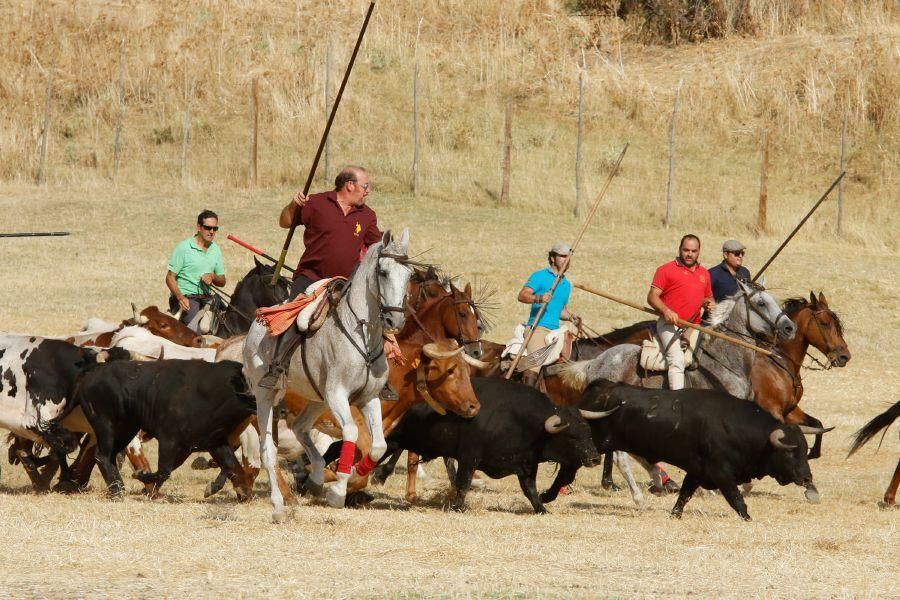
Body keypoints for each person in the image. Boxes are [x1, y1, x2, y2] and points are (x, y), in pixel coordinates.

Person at [258, 165, 399, 389]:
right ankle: (278, 365)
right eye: (365, 186)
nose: (368, 190)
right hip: (311, 276)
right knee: (298, 316)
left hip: (347, 282)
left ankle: (379, 377)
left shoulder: (367, 215)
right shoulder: (316, 203)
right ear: (349, 185)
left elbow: (377, 245)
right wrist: (293, 204)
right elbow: (285, 221)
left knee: (371, 315)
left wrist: (395, 250)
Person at [646, 234, 714, 391]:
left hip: (694, 326)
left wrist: (709, 304)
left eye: (693, 251)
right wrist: (666, 311)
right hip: (670, 324)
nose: (689, 254)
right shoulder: (665, 270)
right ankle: (678, 400)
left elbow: (707, 297)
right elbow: (652, 296)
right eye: (686, 250)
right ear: (680, 249)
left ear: (699, 251)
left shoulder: (704, 273)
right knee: (677, 360)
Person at [515, 241, 582, 387]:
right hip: (538, 328)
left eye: (568, 257)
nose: (567, 260)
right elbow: (522, 295)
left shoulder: (566, 284)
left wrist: (570, 317)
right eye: (563, 256)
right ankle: (525, 393)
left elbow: (561, 310)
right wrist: (539, 298)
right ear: (552, 258)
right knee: (535, 363)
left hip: (555, 331)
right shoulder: (540, 276)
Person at [166, 209, 226, 332]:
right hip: (188, 299)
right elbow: (170, 277)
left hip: (208, 297)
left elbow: (222, 281)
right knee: (196, 332)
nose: (211, 231)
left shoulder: (216, 249)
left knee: (227, 323)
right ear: (198, 227)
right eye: (208, 227)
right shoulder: (184, 248)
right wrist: (181, 298)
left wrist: (213, 276)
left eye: (215, 229)